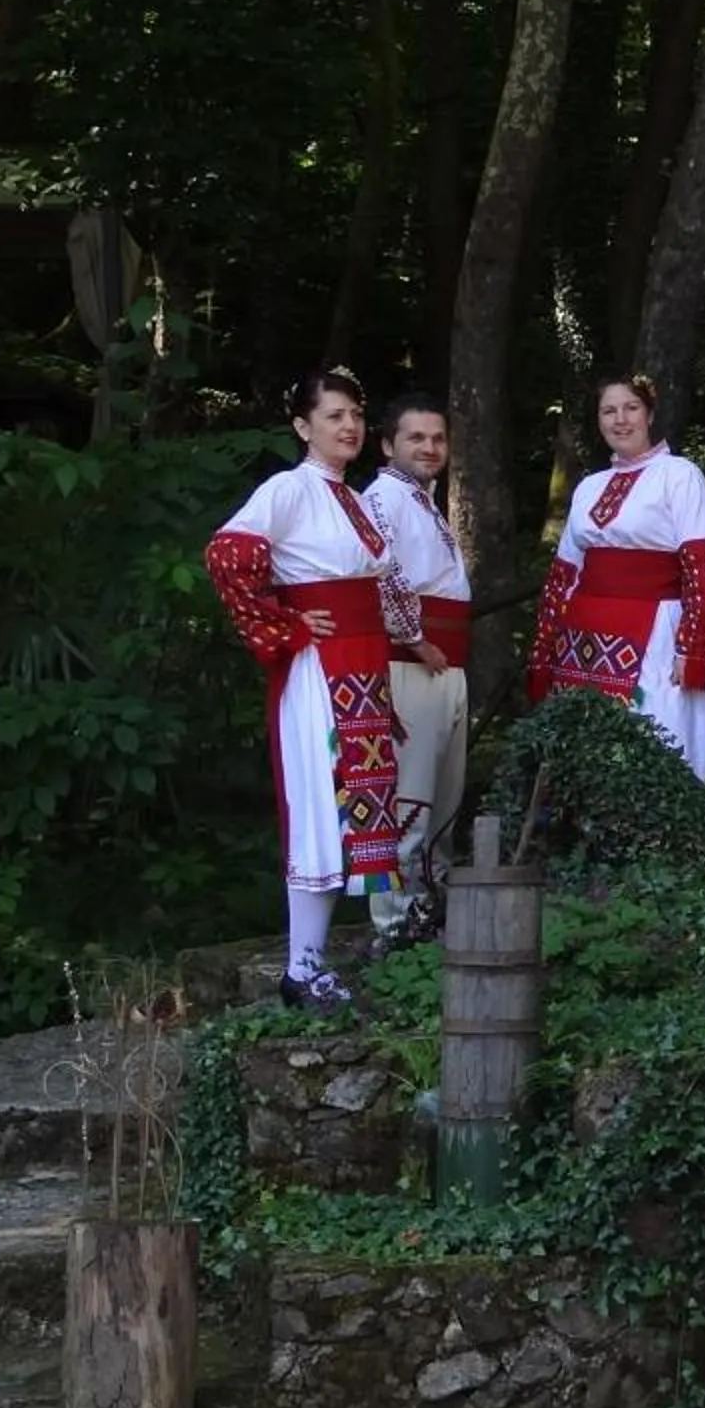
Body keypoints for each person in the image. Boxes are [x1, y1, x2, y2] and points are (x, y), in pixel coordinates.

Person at [203, 369, 411, 1010]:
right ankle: (302, 968)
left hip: (362, 667)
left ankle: (312, 965)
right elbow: (226, 555)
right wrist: (286, 622)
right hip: (321, 672)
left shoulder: (348, 497)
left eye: (354, 414)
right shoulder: (289, 489)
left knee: (356, 812)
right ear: (302, 427)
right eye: (333, 417)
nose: (348, 426)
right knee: (324, 807)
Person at [529, 374, 705, 779]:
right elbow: (565, 573)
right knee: (585, 750)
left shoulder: (680, 475)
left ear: (650, 414)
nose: (621, 419)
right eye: (609, 411)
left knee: (655, 736)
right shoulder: (589, 487)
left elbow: (704, 566)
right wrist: (545, 645)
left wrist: (693, 647)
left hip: (655, 633)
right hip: (582, 642)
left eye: (631, 408)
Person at [361, 392, 469, 941]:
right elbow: (383, 571)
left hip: (446, 663)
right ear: (387, 445)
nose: (430, 448)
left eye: (437, 438)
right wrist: (417, 639)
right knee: (410, 796)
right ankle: (396, 922)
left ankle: (427, 908)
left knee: (442, 797)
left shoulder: (422, 500)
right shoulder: (384, 497)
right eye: (416, 438)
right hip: (412, 664)